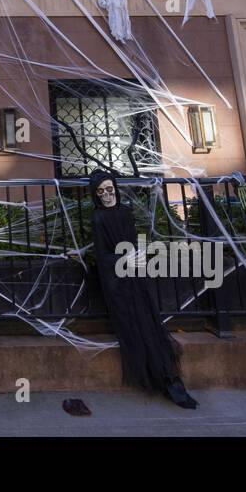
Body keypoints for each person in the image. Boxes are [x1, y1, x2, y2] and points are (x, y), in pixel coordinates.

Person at [86, 169, 198, 409]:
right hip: (118, 280)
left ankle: (169, 378)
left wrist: (136, 254)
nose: (107, 195)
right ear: (96, 195)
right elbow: (102, 254)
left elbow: (134, 239)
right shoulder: (98, 218)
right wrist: (123, 259)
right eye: (101, 191)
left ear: (115, 188)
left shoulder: (125, 212)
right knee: (134, 328)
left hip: (135, 275)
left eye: (109, 189)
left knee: (149, 323)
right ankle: (157, 376)